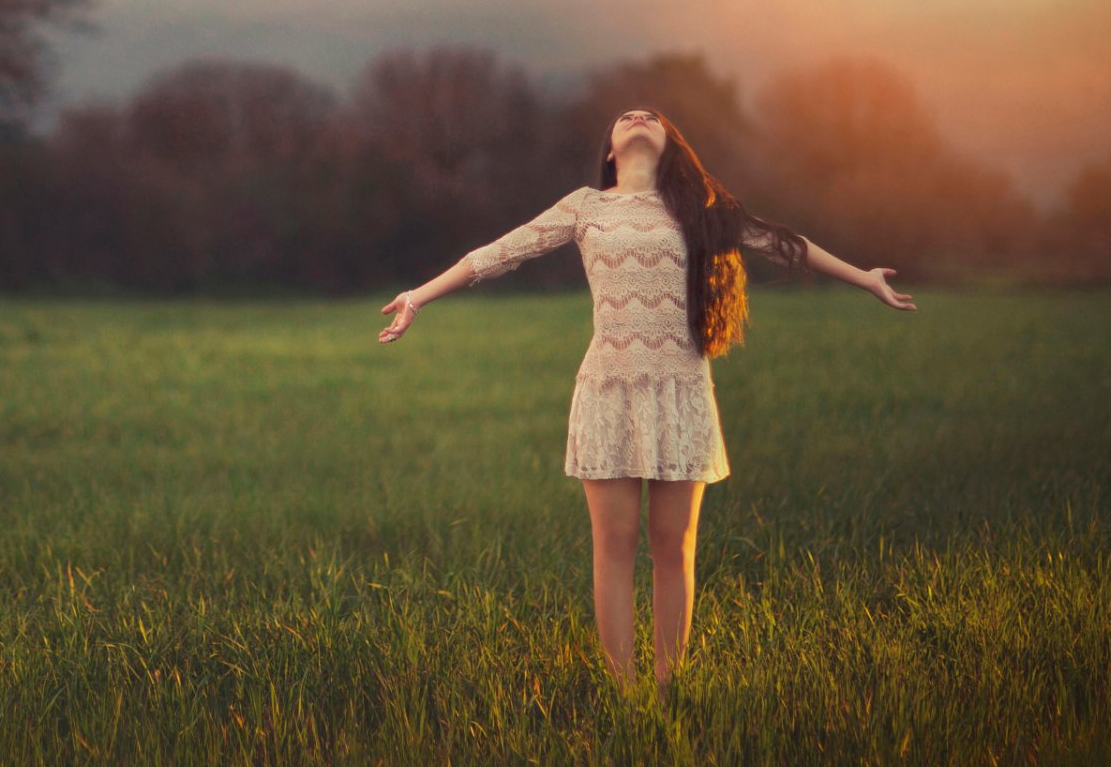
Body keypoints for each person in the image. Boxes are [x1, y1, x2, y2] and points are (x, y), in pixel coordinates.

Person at [376, 106, 916, 701]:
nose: (637, 117)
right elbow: (498, 253)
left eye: (651, 117)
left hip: (681, 391)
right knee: (613, 544)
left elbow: (784, 244)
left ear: (669, 145)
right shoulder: (585, 206)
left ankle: (668, 686)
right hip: (607, 390)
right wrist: (418, 298)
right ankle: (623, 690)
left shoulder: (698, 206)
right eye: (626, 116)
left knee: (672, 544)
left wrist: (865, 278)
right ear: (610, 151)